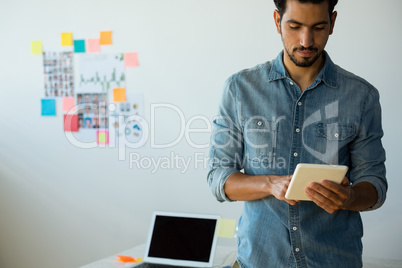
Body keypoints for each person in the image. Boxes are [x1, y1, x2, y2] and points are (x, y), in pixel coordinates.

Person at [207, 0, 387, 267]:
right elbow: (219, 178)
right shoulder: (239, 89)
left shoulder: (362, 97)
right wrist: (270, 184)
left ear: (333, 23)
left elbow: (375, 186)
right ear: (278, 21)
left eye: (318, 27)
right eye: (295, 26)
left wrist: (349, 198)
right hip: (259, 260)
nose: (306, 41)